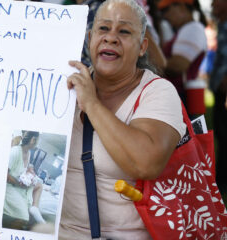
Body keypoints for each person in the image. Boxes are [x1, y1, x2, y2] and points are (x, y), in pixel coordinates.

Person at [60, 0, 185, 238]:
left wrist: (92, 104)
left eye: (124, 31)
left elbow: (145, 164)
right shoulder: (64, 87)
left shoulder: (157, 92)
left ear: (142, 46)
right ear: (89, 39)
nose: (111, 38)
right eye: (103, 29)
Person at [159, 0, 208, 114]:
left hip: (182, 97)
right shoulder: (186, 29)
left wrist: (153, 62)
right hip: (178, 96)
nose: (165, 16)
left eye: (166, 10)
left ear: (181, 6)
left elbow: (178, 66)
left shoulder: (193, 29)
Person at [3, 131, 46, 229]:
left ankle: (34, 208)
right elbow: (4, 175)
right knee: (24, 217)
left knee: (39, 185)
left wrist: (29, 170)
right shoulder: (15, 151)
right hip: (11, 187)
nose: (37, 143)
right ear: (33, 140)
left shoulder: (28, 153)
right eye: (37, 140)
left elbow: (23, 167)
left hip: (20, 185)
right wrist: (19, 184)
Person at [210, 0, 227, 195]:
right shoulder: (222, 24)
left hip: (224, 89)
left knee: (224, 134)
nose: (213, 4)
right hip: (219, 88)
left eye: (217, 1)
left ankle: (222, 179)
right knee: (221, 134)